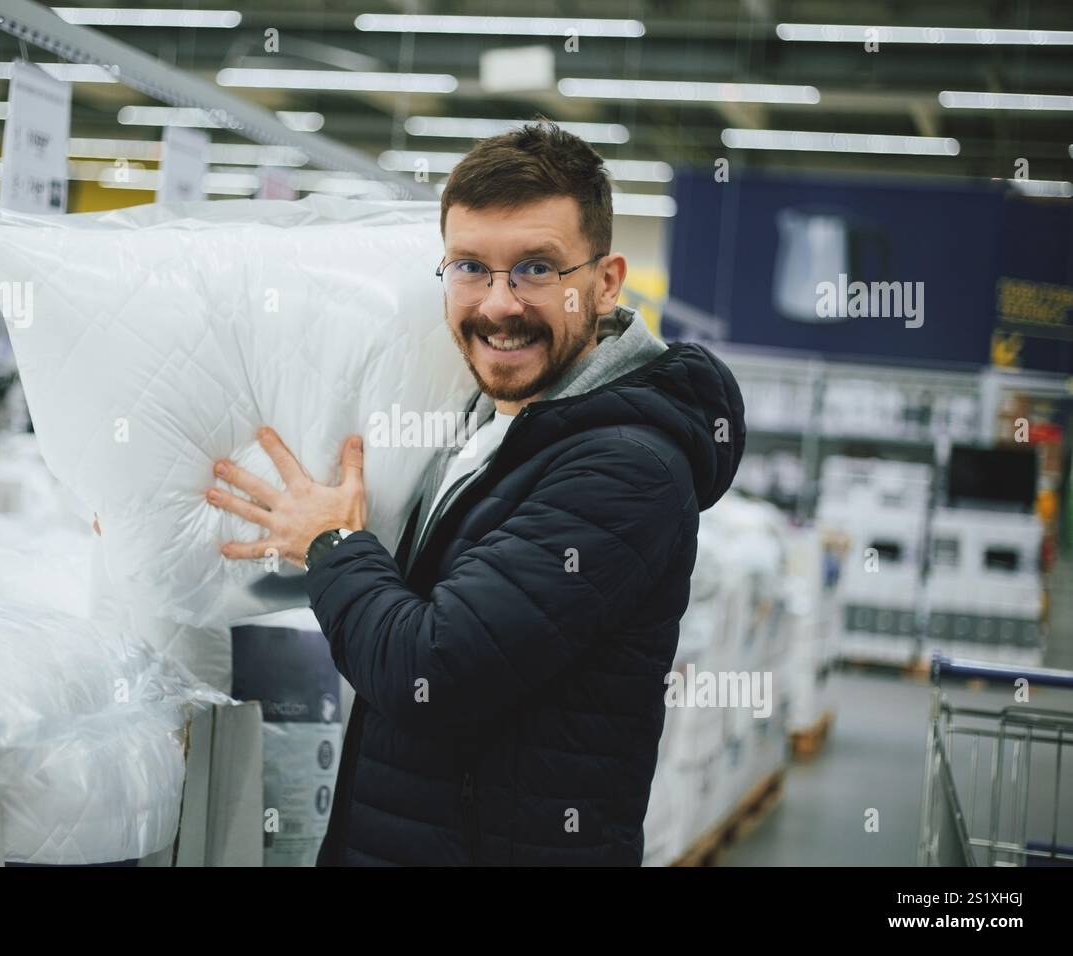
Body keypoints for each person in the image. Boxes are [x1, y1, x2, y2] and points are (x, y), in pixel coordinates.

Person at [209, 119, 746, 866]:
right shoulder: (484, 421)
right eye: (470, 267)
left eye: (535, 269)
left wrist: (330, 545)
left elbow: (431, 668)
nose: (498, 304)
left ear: (606, 281)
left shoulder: (628, 471)